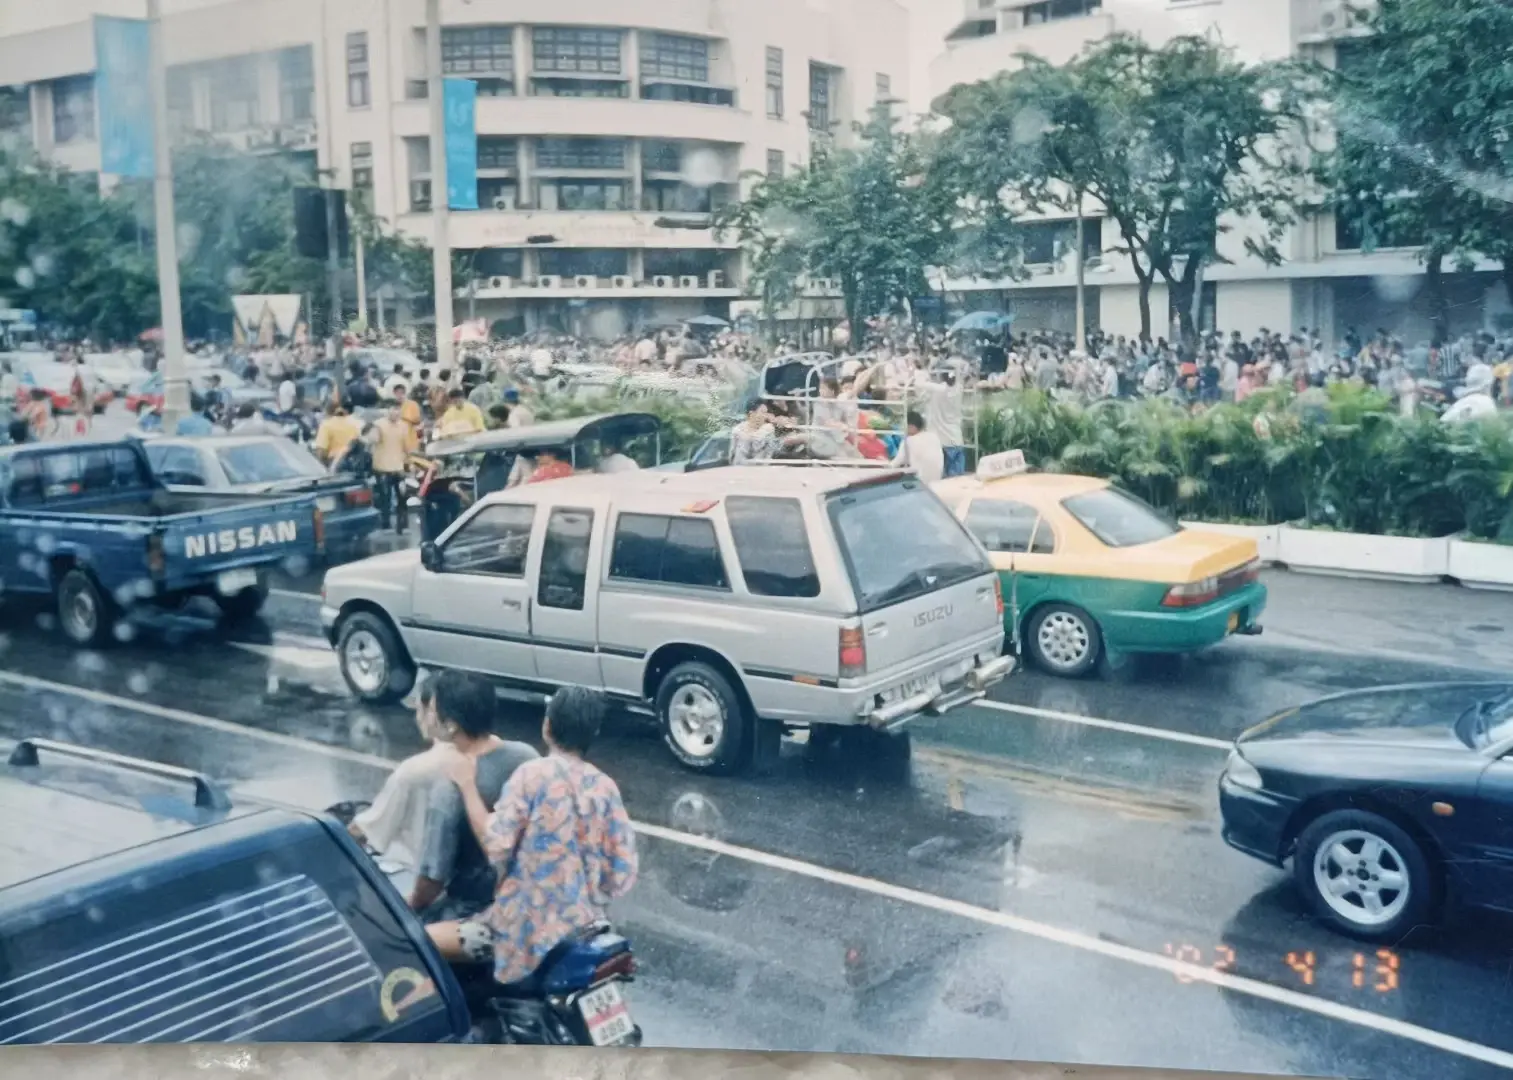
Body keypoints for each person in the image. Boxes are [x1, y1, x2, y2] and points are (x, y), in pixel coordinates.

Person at [429, 687, 638, 982]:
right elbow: (621, 873)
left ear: (547, 726)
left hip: (522, 931)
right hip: (589, 927)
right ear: (594, 732)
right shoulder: (605, 787)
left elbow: (495, 844)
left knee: (423, 940)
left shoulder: (532, 775)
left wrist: (466, 785)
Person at [408, 671, 539, 917]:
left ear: (451, 724)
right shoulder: (527, 756)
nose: (427, 714)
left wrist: (410, 905)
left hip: (477, 907)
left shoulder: (449, 787)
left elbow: (432, 879)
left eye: (434, 709)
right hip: (534, 891)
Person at [349, 675, 452, 871]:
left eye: (418, 708)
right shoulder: (510, 756)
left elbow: (367, 828)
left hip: (427, 880)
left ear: (431, 714)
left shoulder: (414, 771)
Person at [368, 404, 413, 533]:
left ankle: (403, 525)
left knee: (402, 497)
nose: (396, 415)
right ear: (388, 412)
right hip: (382, 468)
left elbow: (406, 447)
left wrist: (408, 464)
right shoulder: (378, 425)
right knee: (385, 498)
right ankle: (386, 524)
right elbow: (373, 440)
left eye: (398, 412)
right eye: (393, 411)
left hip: (398, 467)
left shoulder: (403, 426)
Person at [891, 409, 944, 484]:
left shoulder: (908, 441)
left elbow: (896, 463)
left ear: (911, 426)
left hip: (920, 483)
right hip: (936, 481)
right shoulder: (934, 436)